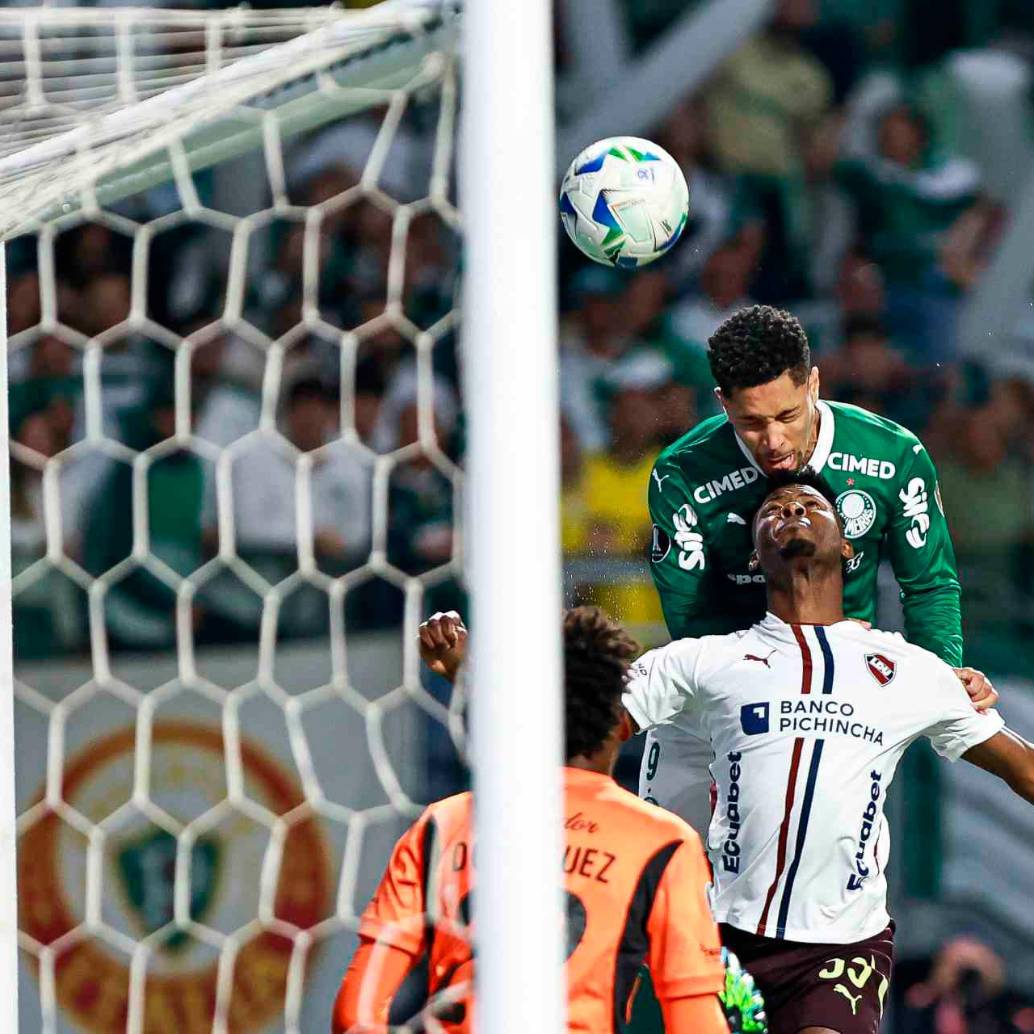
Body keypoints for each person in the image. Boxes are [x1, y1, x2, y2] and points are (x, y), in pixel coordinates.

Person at [623, 472, 1034, 1033]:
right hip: (721, 931)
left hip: (842, 943)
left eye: (809, 503)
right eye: (772, 510)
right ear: (755, 555)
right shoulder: (701, 661)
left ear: (847, 544)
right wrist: (475, 666)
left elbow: (1023, 768)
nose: (789, 509)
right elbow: (585, 720)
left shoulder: (913, 671)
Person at [645, 303, 995, 834]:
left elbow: (927, 585)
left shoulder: (892, 454)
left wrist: (940, 675)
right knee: (671, 862)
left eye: (787, 416)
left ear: (813, 382)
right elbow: (693, 617)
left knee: (823, 871)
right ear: (722, 403)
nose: (774, 442)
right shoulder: (682, 474)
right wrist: (774, 668)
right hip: (715, 694)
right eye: (751, 423)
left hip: (840, 698)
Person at [331, 608, 735, 1034]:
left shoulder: (444, 825)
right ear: (621, 722)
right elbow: (693, 1021)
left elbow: (354, 1015)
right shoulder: (663, 842)